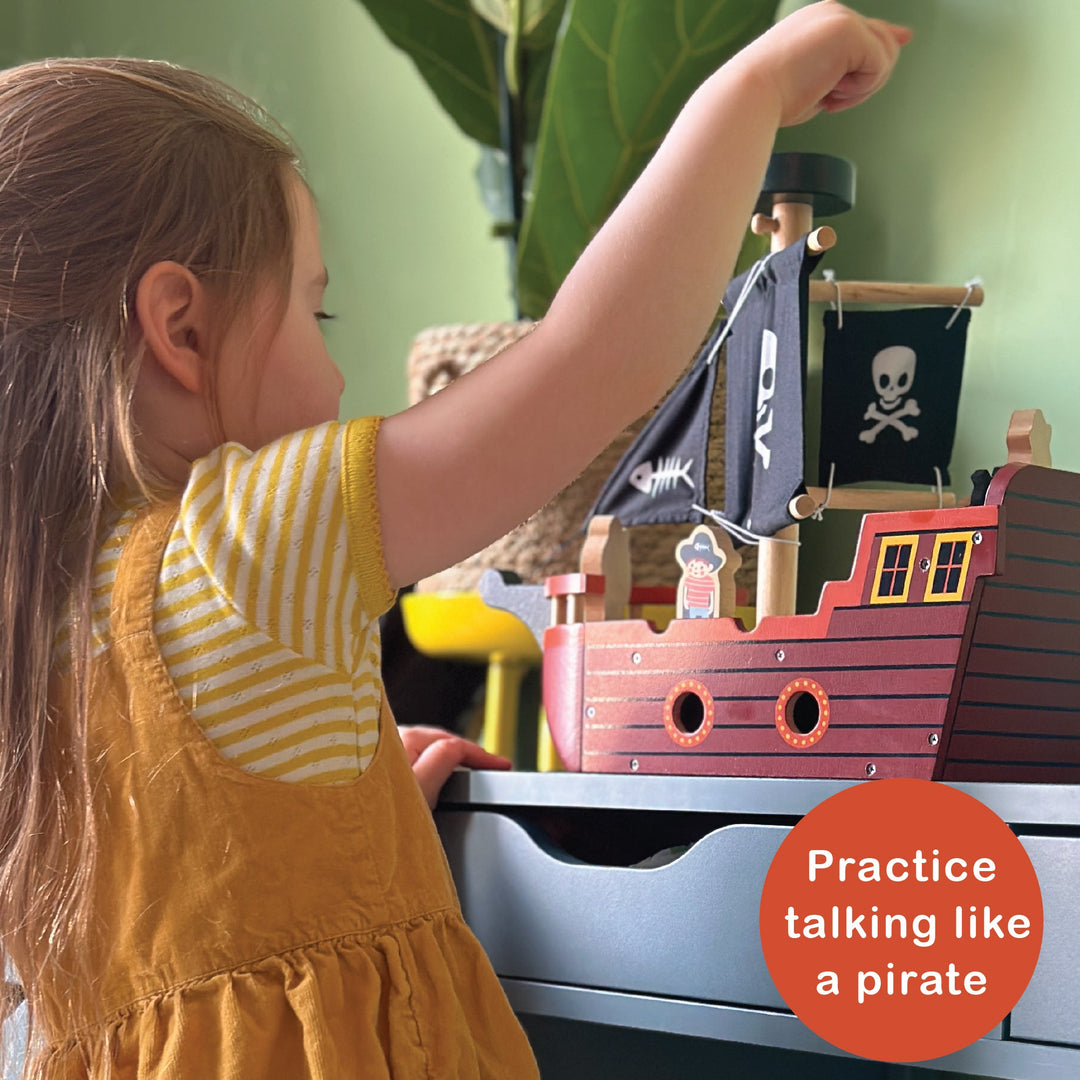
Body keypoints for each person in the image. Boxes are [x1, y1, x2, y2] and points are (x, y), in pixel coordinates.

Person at [0, 3, 908, 1075]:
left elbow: (191, 862)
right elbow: (594, 360)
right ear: (183, 330)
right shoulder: (238, 541)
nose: (337, 375)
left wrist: (339, 809)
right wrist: (748, 91)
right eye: (314, 313)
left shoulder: (31, 619)